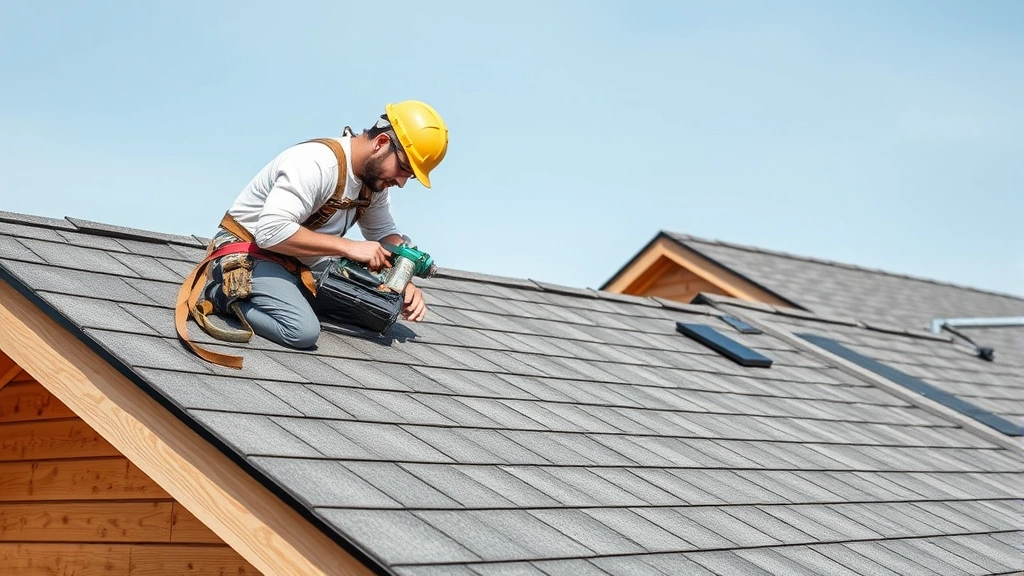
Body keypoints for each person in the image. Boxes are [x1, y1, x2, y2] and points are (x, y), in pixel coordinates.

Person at [181, 100, 448, 358]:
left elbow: (384, 235)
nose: (401, 182)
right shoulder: (316, 163)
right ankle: (224, 295)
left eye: (410, 176)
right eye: (403, 168)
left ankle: (285, 294)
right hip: (248, 253)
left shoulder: (373, 183)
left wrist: (404, 280)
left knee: (376, 311)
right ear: (381, 143)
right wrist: (350, 247)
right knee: (301, 331)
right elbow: (270, 232)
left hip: (296, 263)